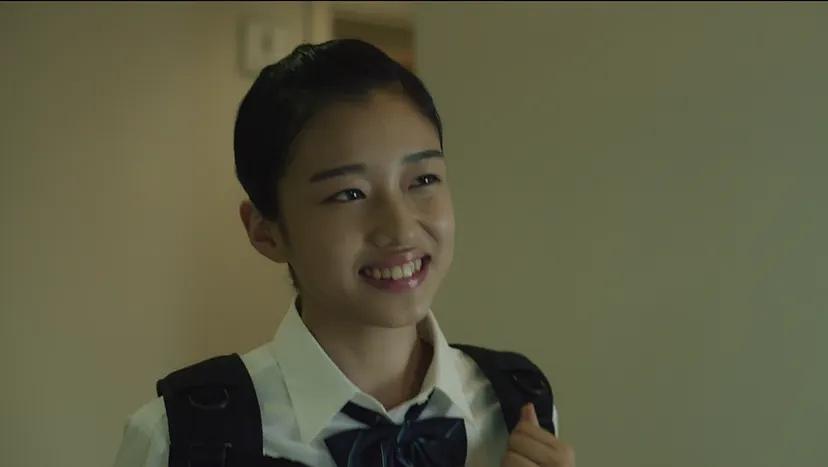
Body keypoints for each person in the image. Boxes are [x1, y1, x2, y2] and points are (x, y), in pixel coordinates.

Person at [112, 39, 575, 467]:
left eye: (423, 180)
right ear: (265, 232)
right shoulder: (178, 437)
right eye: (349, 194)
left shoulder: (516, 404)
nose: (399, 228)